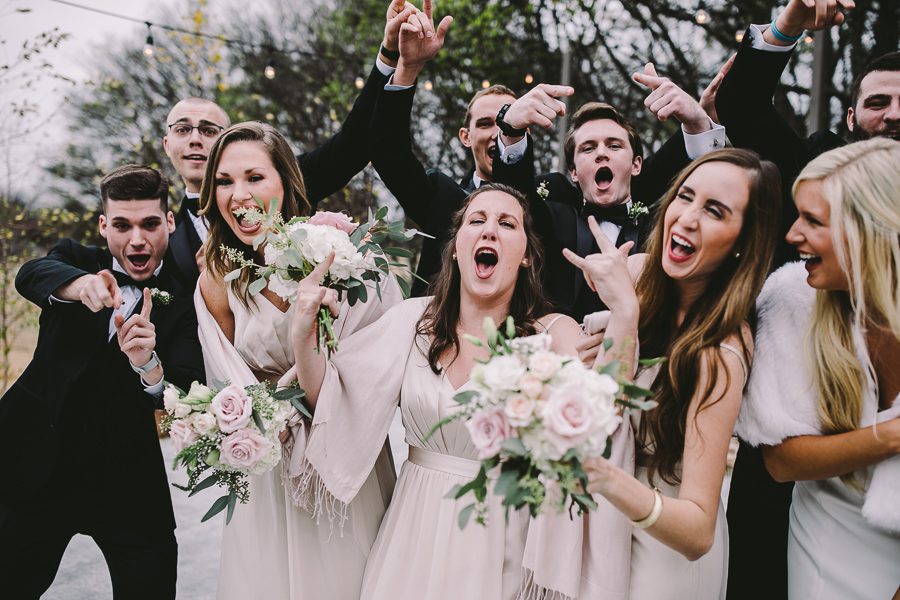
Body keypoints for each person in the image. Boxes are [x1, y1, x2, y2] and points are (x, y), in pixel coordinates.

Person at [288, 184, 607, 600]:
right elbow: (332, 397)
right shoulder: (411, 321)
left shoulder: (552, 333)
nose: (489, 230)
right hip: (411, 535)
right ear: (457, 248)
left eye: (506, 224)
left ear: (527, 255)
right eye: (477, 220)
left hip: (501, 541)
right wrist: (303, 334)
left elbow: (601, 394)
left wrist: (620, 311)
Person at [714, 2, 900, 595]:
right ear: (850, 118)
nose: (895, 115)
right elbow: (742, 108)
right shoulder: (818, 184)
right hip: (818, 527)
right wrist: (788, 24)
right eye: (878, 102)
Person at [194, 121, 401, 600]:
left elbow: (372, 359)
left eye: (254, 177)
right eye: (224, 181)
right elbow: (227, 377)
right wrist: (264, 417)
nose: (238, 195)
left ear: (286, 182)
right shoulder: (219, 276)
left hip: (339, 445)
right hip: (269, 455)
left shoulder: (338, 256)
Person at [571, 148, 782, 599]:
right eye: (685, 197)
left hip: (665, 556)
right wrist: (623, 320)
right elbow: (604, 413)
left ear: (743, 240)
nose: (687, 218)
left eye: (714, 211)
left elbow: (698, 531)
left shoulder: (719, 352)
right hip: (605, 534)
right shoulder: (641, 285)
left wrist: (601, 475)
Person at [0, 165, 204, 599]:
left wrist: (148, 364)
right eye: (122, 225)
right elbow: (31, 274)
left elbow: (184, 388)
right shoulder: (75, 259)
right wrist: (80, 286)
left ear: (169, 222)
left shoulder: (188, 299)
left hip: (126, 477)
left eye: (150, 224)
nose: (137, 239)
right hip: (33, 461)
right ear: (103, 225)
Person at [735, 138, 900, 599]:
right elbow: (782, 460)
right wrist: (891, 436)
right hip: (827, 538)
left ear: (872, 228)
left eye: (813, 221)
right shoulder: (794, 300)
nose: (792, 235)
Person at [164, 0, 418, 288]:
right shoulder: (156, 224)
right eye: (183, 129)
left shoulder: (287, 179)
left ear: (230, 140)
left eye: (209, 130)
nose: (195, 139)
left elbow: (354, 143)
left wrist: (389, 54)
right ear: (166, 144)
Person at [493, 79, 726, 319]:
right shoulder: (552, 221)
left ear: (636, 165)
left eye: (614, 146)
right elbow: (511, 200)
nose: (601, 153)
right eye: (588, 148)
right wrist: (512, 129)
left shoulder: (665, 227)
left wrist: (698, 124)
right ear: (574, 172)